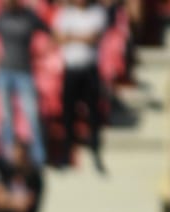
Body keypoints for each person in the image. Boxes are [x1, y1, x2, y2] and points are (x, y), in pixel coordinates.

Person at [0, 0, 52, 169]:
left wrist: (42, 53)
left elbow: (50, 33)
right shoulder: (1, 17)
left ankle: (39, 155)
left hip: (24, 72)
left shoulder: (30, 17)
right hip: (4, 71)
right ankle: (7, 154)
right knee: (6, 116)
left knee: (31, 114)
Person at [54, 0, 110, 173]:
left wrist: (71, 36)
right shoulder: (65, 13)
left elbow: (93, 38)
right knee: (68, 113)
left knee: (93, 111)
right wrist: (80, 37)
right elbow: (58, 38)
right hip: (71, 69)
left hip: (89, 69)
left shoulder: (97, 12)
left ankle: (95, 149)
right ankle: (67, 151)